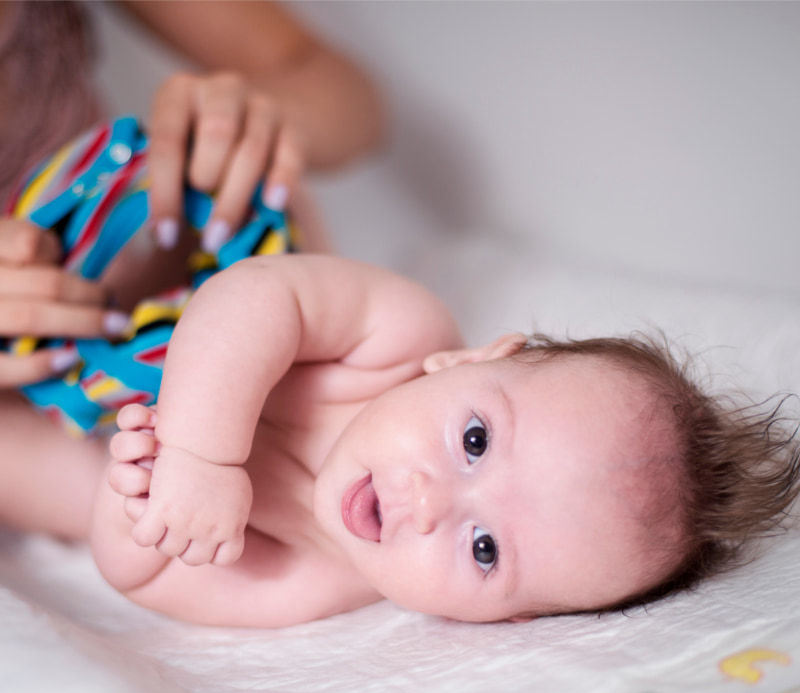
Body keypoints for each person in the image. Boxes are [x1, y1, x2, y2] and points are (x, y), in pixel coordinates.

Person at [77, 251, 800, 628]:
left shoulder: (343, 577)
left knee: (37, 474)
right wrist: (203, 454)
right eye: (476, 440)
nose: (428, 503)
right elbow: (253, 293)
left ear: (504, 618)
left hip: (85, 432)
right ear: (472, 360)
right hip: (147, 298)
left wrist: (139, 509)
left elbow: (151, 579)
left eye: (484, 549)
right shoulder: (398, 336)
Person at [0, 1, 384, 535]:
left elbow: (345, 99)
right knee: (105, 501)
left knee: (260, 191)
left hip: (171, 270)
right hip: (27, 404)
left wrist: (256, 120)